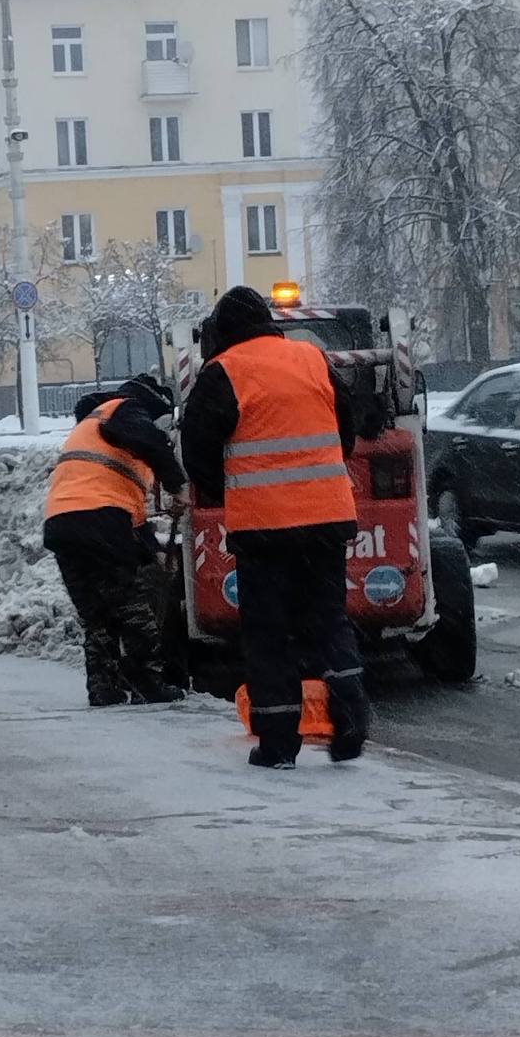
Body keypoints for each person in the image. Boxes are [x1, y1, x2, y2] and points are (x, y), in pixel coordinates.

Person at [181, 285, 370, 768]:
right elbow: (346, 426)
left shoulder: (223, 371)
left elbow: (198, 452)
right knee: (329, 618)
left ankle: (279, 744)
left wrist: (234, 492)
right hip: (327, 518)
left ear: (221, 332)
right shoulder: (310, 359)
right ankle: (350, 718)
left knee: (269, 631)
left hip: (264, 527)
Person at [44, 373, 189, 707]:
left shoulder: (93, 426)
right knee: (133, 608)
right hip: (100, 519)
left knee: (96, 614)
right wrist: (178, 485)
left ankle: (103, 687)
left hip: (63, 523)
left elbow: (123, 515)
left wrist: (147, 551)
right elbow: (150, 441)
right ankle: (149, 685)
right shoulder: (125, 410)